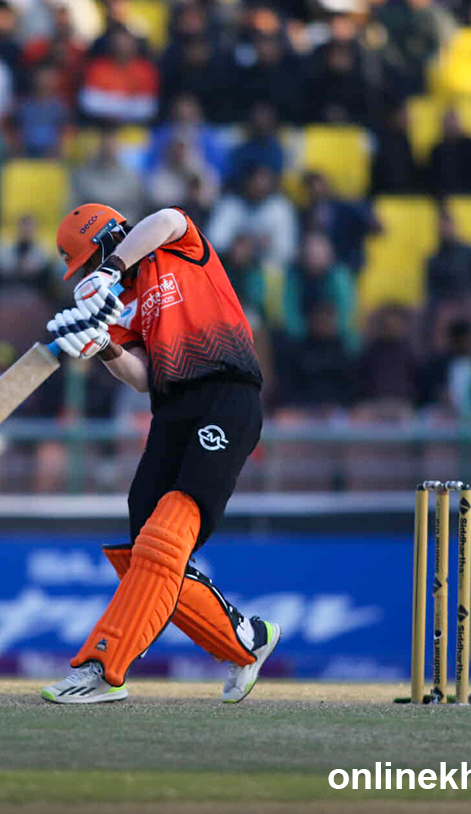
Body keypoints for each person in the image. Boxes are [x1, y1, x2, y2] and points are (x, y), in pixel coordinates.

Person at [38, 202, 281, 705]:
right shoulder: (120, 302)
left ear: (108, 239)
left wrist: (109, 269)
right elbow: (143, 377)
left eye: (88, 262)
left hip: (227, 395)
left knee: (168, 533)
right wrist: (102, 346)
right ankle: (246, 640)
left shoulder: (176, 248)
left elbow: (169, 216)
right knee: (145, 548)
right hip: (171, 412)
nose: (86, 275)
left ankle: (104, 668)